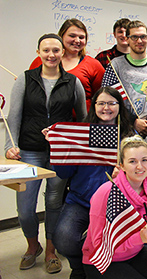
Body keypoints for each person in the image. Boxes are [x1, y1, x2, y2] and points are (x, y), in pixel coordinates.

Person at [5, 33, 87, 274]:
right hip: (29, 150)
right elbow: (14, 116)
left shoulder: (73, 82)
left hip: (60, 152)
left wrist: (78, 150)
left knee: (53, 203)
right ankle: (33, 246)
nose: (51, 55)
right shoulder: (25, 79)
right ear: (38, 52)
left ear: (63, 53)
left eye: (56, 50)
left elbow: (81, 119)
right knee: (25, 207)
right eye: (46, 50)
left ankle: (51, 251)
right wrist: (9, 147)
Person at [50, 87, 134, 279]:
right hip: (81, 201)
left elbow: (142, 175)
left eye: (112, 103)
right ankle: (79, 267)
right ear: (94, 106)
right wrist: (58, 150)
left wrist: (124, 173)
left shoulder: (129, 137)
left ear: (119, 106)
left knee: (114, 241)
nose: (106, 108)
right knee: (63, 238)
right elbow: (64, 173)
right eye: (101, 103)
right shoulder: (80, 135)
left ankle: (102, 268)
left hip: (115, 204)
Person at [82, 136, 147, 279]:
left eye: (144, 160)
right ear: (121, 165)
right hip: (103, 259)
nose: (140, 167)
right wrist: (138, 239)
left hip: (135, 253)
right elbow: (100, 246)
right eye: (132, 161)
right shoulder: (106, 192)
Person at [101, 20, 147, 137]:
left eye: (143, 37)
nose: (139, 41)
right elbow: (107, 102)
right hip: (125, 131)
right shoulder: (115, 65)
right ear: (127, 39)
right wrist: (133, 121)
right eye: (134, 37)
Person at [29, 18, 105, 109]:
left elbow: (102, 95)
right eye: (72, 36)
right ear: (61, 36)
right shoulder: (42, 61)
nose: (77, 40)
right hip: (45, 118)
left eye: (81, 37)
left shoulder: (94, 65)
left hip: (81, 120)